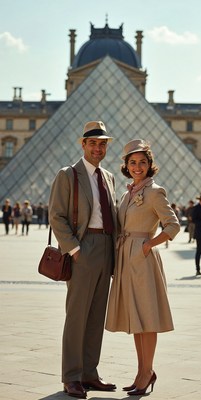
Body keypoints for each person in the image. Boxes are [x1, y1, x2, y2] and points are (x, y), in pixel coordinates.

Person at [105, 139, 180, 396]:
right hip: (126, 258)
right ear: (126, 165)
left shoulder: (155, 191)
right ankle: (141, 372)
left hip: (143, 259)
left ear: (150, 164)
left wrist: (149, 244)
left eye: (143, 162)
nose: (138, 167)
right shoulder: (128, 193)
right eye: (132, 162)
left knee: (147, 319)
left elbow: (173, 225)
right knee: (136, 320)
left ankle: (147, 372)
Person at [49, 121, 117, 399]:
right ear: (83, 144)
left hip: (106, 247)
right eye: (93, 143)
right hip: (84, 246)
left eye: (102, 144)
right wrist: (75, 250)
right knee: (77, 316)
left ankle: (90, 373)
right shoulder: (69, 175)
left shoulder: (109, 177)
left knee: (96, 316)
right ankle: (72, 376)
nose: (98, 148)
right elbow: (56, 216)